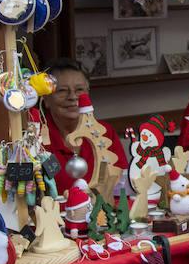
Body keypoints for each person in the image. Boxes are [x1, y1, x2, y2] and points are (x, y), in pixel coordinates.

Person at [38, 59, 124, 194]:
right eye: (62, 90)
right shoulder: (37, 141)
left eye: (79, 90)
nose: (72, 96)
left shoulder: (105, 133)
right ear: (47, 100)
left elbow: (120, 185)